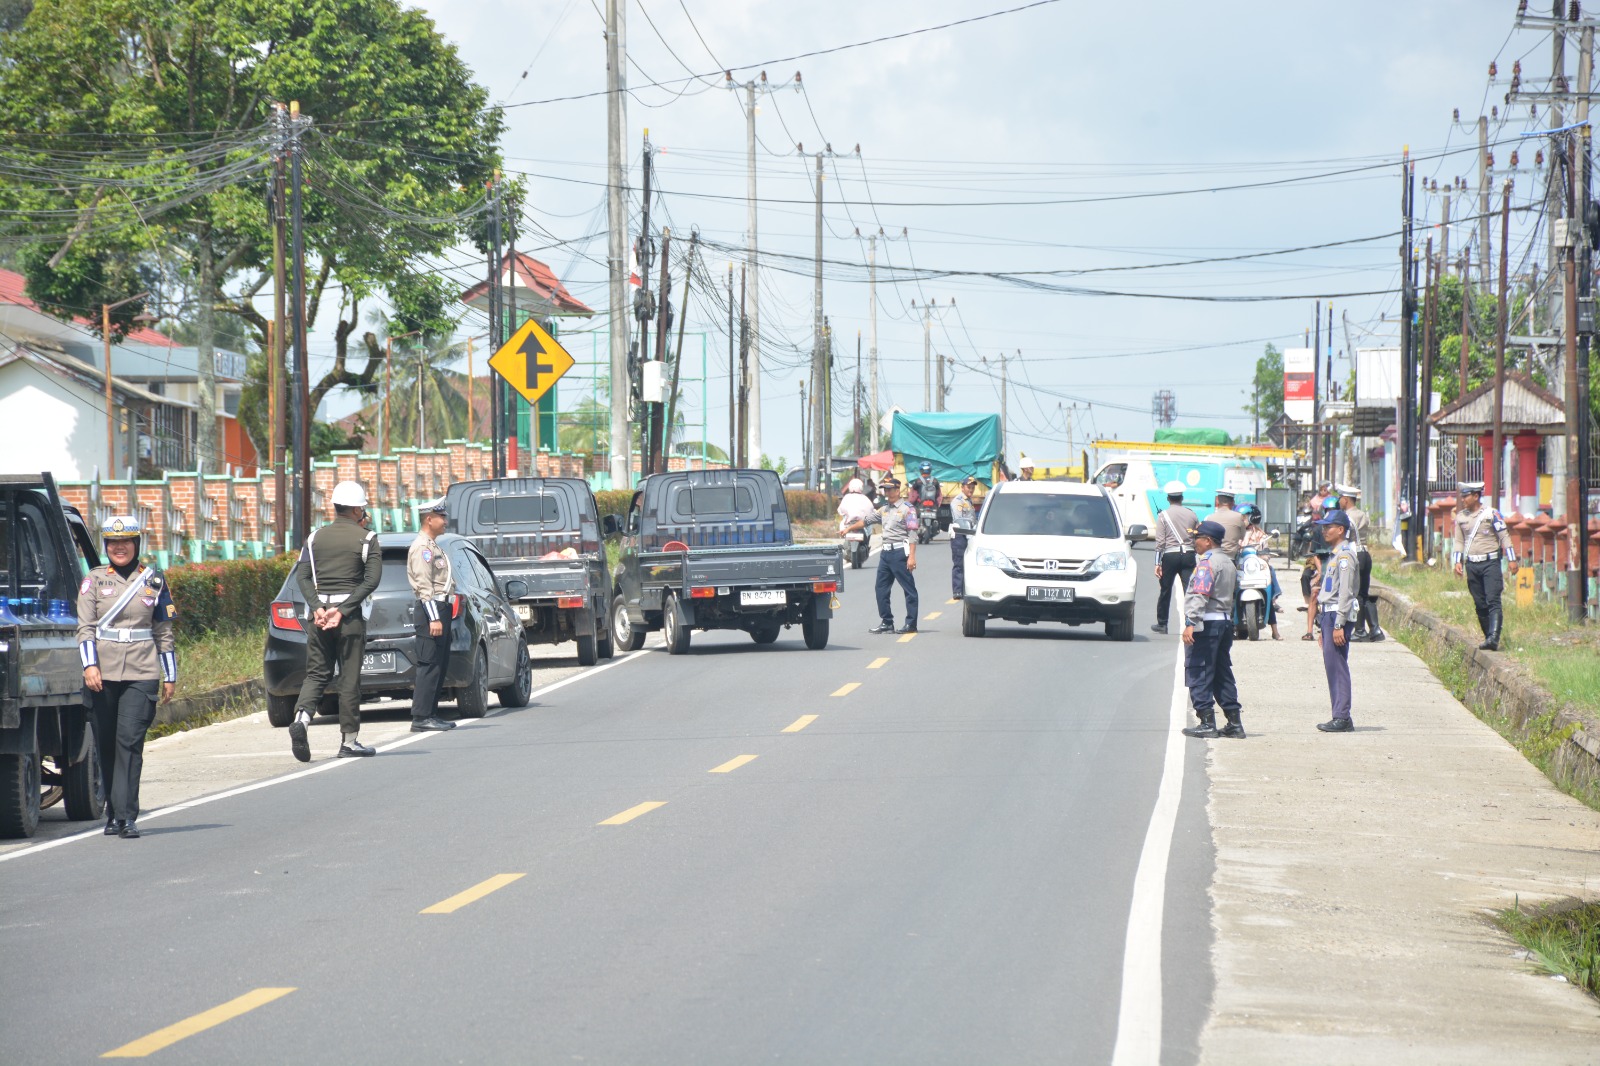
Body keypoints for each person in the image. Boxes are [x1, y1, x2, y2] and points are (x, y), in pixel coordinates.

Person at [77, 516, 177, 839]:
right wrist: (90, 666)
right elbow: (85, 629)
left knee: (129, 742)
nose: (119, 548)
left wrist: (170, 675)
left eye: (126, 542)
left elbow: (164, 631)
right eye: (113, 543)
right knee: (106, 742)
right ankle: (113, 810)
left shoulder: (154, 580)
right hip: (102, 673)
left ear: (137, 544)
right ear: (106, 546)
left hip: (142, 670)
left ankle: (127, 816)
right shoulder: (93, 581)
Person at [289, 480, 383, 762]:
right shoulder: (367, 539)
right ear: (356, 509)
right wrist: (342, 610)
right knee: (349, 678)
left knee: (317, 674)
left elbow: (302, 576)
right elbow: (372, 580)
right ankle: (349, 741)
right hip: (349, 619)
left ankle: (302, 719)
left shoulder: (314, 538)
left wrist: (318, 607)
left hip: (318, 619)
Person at [1180, 521, 1245, 740]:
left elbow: (1200, 594)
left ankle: (1207, 722)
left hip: (1206, 623)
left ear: (1208, 541)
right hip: (1224, 622)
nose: (1194, 542)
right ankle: (1234, 722)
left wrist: (1191, 623)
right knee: (1221, 672)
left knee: (1199, 670)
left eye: (1197, 538)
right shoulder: (1227, 562)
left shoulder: (1207, 563)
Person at [406, 498, 458, 734]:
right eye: (442, 517)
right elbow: (424, 587)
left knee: (439, 664)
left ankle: (431, 713)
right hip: (431, 611)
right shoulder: (422, 548)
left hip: (441, 609)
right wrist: (434, 618)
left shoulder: (434, 546)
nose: (445, 521)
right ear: (429, 519)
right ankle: (421, 716)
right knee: (429, 665)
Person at [1451, 480, 1519, 651]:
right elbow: (1459, 541)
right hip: (1472, 565)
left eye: (1466, 496)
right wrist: (1457, 562)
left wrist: (1512, 559)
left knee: (1493, 599)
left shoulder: (1491, 514)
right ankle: (1488, 636)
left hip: (1490, 563)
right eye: (1462, 496)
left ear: (1476, 496)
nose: (1463, 499)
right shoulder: (1461, 518)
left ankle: (1494, 638)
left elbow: (1504, 536)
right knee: (1479, 602)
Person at [847, 476, 919, 634]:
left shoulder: (908, 509)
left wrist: (912, 557)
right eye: (885, 489)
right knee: (881, 588)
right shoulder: (884, 509)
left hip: (900, 552)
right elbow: (867, 521)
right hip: (885, 554)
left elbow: (913, 534)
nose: (887, 492)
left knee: (909, 589)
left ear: (898, 490)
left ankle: (911, 623)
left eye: (890, 489)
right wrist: (848, 529)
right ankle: (887, 622)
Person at [1313, 509, 1363, 733]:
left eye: (1329, 527)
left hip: (1336, 615)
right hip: (1329, 614)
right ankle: (1339, 714)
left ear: (1341, 530)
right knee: (1332, 666)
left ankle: (1342, 716)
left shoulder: (1344, 556)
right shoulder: (1336, 554)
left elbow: (1345, 593)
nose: (1324, 530)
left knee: (1338, 667)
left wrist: (1338, 624)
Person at [1338, 485, 1384, 642]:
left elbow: (1346, 538)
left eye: (1340, 499)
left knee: (1355, 593)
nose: (1339, 501)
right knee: (1364, 593)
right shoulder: (1362, 514)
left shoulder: (1346, 517)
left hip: (1354, 554)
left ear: (1345, 500)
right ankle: (1375, 630)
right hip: (1365, 553)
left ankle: (1359, 630)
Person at [1151, 480, 1198, 634]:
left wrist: (1157, 563)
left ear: (1168, 499)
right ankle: (1191, 622)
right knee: (1189, 590)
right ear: (1182, 498)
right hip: (1189, 554)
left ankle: (1162, 624)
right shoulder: (1191, 514)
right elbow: (1197, 535)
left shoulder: (1163, 516)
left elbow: (1160, 542)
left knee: (1165, 589)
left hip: (1170, 556)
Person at [1240, 505, 1282, 640]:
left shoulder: (1260, 534)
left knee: (1270, 573)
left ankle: (1275, 630)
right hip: (1241, 566)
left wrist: (1263, 556)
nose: (1242, 520)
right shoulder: (1236, 532)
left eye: (1244, 517)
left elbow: (1266, 552)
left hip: (1256, 566)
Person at [950, 475, 980, 599]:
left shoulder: (968, 501)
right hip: (959, 534)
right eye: (968, 487)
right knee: (959, 563)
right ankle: (957, 591)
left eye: (972, 487)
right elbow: (960, 519)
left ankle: (965, 589)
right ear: (962, 488)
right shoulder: (958, 501)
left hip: (969, 535)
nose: (971, 489)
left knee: (969, 563)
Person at [1204, 489, 1248, 561]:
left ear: (1217, 501)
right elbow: (1242, 536)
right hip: (1230, 558)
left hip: (1213, 557)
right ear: (1233, 502)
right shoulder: (1238, 517)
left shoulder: (1209, 518)